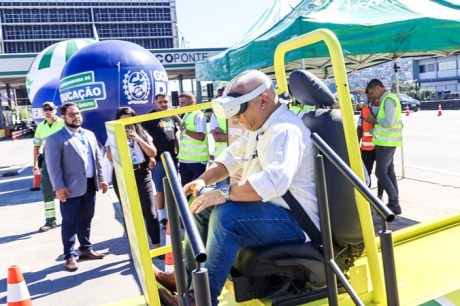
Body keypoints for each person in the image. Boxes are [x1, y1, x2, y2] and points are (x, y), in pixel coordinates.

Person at [156, 70, 319, 306]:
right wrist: (202, 181)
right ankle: (184, 280)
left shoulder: (285, 130)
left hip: (297, 222)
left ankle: (199, 300)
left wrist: (222, 193)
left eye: (240, 110)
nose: (238, 118)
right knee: (201, 206)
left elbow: (274, 182)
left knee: (227, 216)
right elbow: (229, 159)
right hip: (271, 211)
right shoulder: (260, 127)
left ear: (263, 100)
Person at [45, 102, 109, 272]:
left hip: (89, 184)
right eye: (72, 114)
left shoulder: (89, 135)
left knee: (87, 218)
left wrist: (101, 179)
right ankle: (70, 256)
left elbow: (97, 159)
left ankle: (86, 249)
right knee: (70, 222)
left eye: (78, 113)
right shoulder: (55, 139)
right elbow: (53, 166)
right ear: (64, 117)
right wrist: (59, 187)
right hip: (69, 188)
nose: (76, 117)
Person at [107, 107, 161, 249]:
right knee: (129, 212)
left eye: (130, 121)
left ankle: (156, 246)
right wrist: (119, 140)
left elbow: (153, 152)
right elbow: (109, 158)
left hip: (141, 172)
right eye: (123, 121)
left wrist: (137, 138)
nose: (127, 125)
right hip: (122, 174)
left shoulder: (141, 133)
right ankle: (136, 248)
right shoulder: (113, 134)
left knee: (149, 211)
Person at [365, 79, 403, 215]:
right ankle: (394, 203)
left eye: (372, 92)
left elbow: (388, 121)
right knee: (389, 172)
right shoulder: (386, 99)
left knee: (380, 172)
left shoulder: (388, 99)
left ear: (377, 87)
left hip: (387, 142)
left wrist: (373, 120)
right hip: (385, 141)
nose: (372, 96)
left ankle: (394, 201)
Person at [143, 94, 181, 227]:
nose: (163, 104)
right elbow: (144, 138)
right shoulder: (149, 118)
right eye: (160, 102)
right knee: (160, 190)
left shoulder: (171, 115)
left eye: (165, 101)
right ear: (155, 103)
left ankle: (174, 216)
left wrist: (177, 147)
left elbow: (175, 133)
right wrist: (150, 157)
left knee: (173, 188)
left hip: (172, 159)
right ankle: (162, 218)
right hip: (158, 160)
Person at [33, 101, 65, 232]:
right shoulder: (40, 126)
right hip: (47, 161)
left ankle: (70, 217)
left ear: (55, 110)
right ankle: (50, 220)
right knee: (46, 189)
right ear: (42, 112)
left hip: (64, 159)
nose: (48, 111)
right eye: (45, 109)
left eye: (50, 109)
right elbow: (36, 146)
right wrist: (35, 164)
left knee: (67, 188)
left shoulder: (63, 123)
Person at [177, 91, 209, 187]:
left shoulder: (198, 115)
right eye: (180, 102)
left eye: (183, 102)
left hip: (197, 161)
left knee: (197, 190)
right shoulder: (187, 115)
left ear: (191, 101)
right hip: (185, 160)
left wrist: (185, 131)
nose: (180, 105)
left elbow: (201, 137)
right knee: (186, 191)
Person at [357, 90, 384, 200]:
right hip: (367, 148)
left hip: (381, 147)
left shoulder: (384, 109)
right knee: (366, 174)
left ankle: (380, 196)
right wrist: (356, 145)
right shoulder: (364, 110)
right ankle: (367, 197)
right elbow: (359, 128)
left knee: (381, 173)